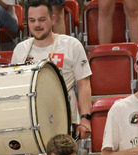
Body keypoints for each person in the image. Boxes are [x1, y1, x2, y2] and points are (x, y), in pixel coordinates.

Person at [11, 0, 92, 137]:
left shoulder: (71, 45)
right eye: (32, 20)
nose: (37, 25)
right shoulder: (20, 49)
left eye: (42, 20)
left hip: (64, 121)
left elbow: (84, 84)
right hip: (30, 123)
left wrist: (85, 118)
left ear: (53, 19)